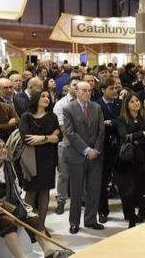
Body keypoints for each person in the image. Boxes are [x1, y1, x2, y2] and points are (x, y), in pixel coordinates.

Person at [0, 138, 67, 258]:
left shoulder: (8, 165)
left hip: (9, 204)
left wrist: (21, 206)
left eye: (4, 146)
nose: (3, 150)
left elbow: (15, 187)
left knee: (34, 219)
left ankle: (49, 251)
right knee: (7, 223)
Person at [63, 81, 105, 234]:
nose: (87, 93)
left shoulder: (96, 107)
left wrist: (96, 150)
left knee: (94, 189)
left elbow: (101, 131)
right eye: (84, 90)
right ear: (77, 91)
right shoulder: (69, 109)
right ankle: (74, 222)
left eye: (89, 90)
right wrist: (87, 150)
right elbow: (70, 133)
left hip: (96, 155)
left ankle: (91, 220)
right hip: (77, 155)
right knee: (76, 191)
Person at [18, 89, 60, 230]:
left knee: (44, 191)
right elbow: (27, 140)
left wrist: (41, 138)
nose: (47, 98)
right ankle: (29, 226)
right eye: (43, 96)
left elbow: (56, 138)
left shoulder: (52, 117)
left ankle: (41, 226)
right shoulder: (26, 117)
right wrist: (48, 138)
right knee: (31, 191)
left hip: (48, 157)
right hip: (30, 158)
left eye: (48, 96)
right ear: (35, 98)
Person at [115, 92, 145, 228]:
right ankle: (131, 219)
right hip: (130, 161)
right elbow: (124, 136)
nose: (136, 103)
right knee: (130, 190)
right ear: (126, 105)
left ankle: (143, 212)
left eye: (137, 101)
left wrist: (136, 139)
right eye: (132, 101)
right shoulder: (122, 119)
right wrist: (140, 134)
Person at [52, 77, 80, 215]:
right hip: (66, 143)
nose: (76, 88)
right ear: (68, 87)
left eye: (78, 86)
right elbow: (63, 128)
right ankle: (61, 200)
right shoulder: (60, 104)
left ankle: (80, 200)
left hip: (83, 144)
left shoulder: (85, 103)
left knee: (81, 174)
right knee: (64, 175)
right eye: (74, 85)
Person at [96, 78, 120, 224]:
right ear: (103, 90)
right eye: (111, 88)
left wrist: (112, 122)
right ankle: (102, 210)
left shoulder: (120, 103)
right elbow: (98, 125)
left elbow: (123, 120)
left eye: (115, 88)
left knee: (122, 178)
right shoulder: (97, 105)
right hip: (103, 147)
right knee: (102, 181)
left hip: (119, 146)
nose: (115, 91)